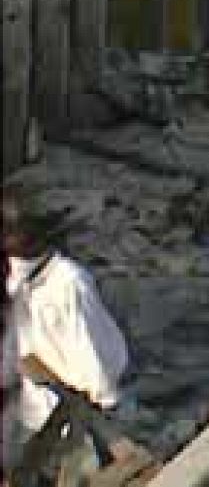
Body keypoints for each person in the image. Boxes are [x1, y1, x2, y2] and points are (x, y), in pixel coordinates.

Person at [3, 190, 131, 457]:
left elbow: (90, 354)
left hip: (65, 407)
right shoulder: (16, 278)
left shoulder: (68, 284)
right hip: (30, 400)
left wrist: (104, 403)